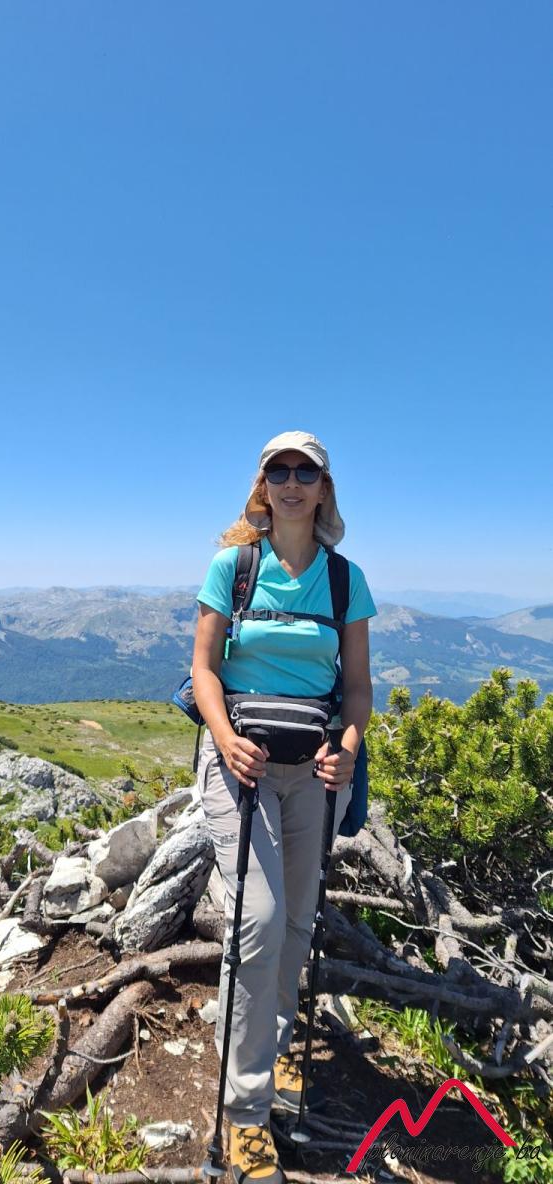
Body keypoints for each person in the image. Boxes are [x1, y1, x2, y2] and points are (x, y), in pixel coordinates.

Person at [192, 431, 376, 1184]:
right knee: (259, 920)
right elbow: (203, 669)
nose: (292, 482)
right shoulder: (234, 567)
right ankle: (243, 1114)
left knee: (297, 922)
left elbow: (357, 688)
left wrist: (349, 746)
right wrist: (225, 738)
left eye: (306, 472)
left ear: (324, 489)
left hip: (316, 771)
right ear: (262, 485)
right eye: (279, 470)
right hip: (243, 765)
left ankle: (263, 1052)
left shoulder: (344, 581)